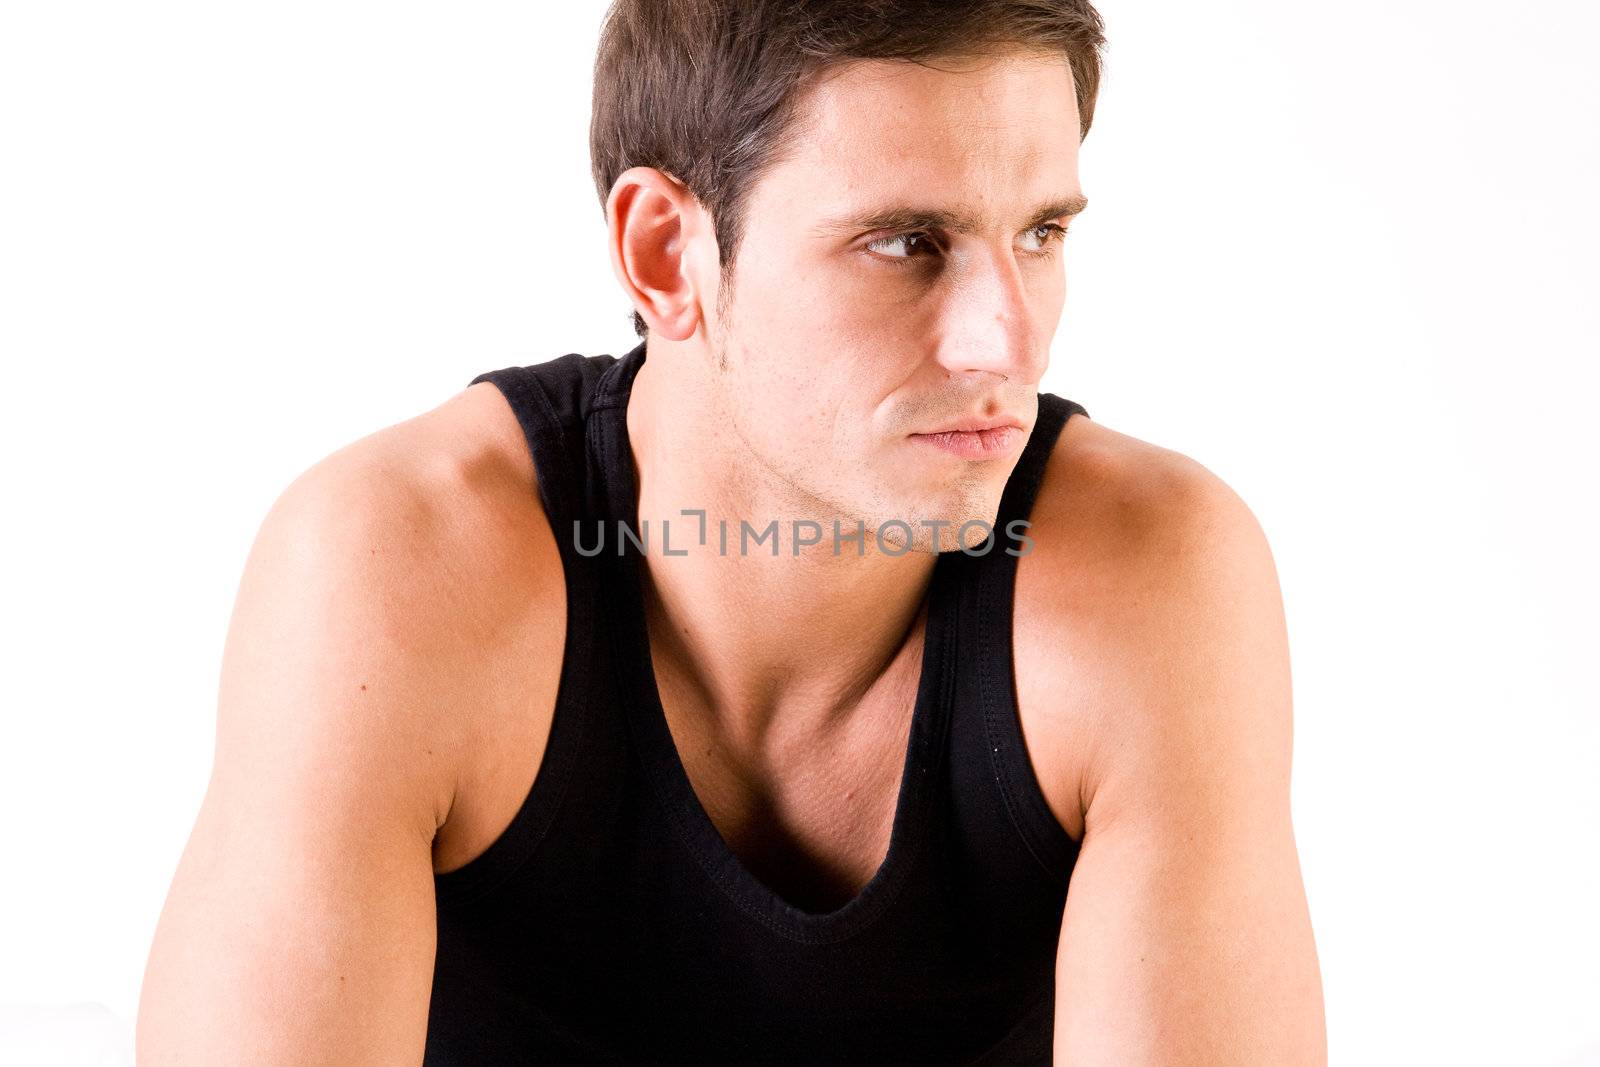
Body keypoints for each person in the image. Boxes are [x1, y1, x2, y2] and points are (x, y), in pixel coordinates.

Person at [137, 2, 1327, 1063]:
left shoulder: (1147, 580)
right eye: (906, 242)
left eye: (1039, 234)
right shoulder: (398, 568)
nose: (1003, 346)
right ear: (668, 254)